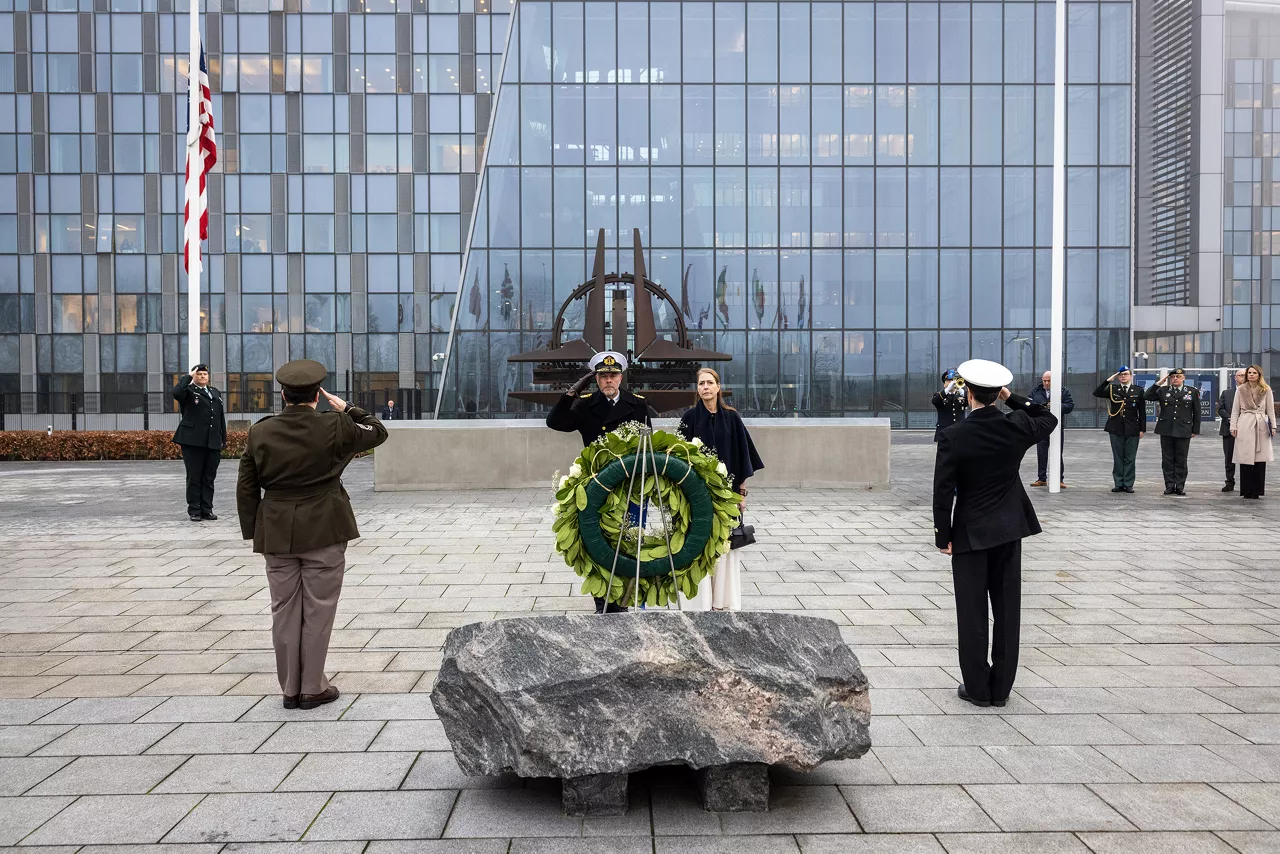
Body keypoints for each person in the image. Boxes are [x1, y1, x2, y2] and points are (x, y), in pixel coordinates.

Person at [236, 359, 388, 710]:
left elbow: (246, 487)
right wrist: (348, 408)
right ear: (317, 396)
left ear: (283, 394)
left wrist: (254, 530)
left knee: (284, 610)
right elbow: (378, 432)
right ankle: (313, 687)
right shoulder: (334, 424)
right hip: (324, 528)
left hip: (276, 532)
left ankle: (290, 688)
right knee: (318, 610)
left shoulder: (261, 431)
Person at [933, 359, 1057, 709]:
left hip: (970, 532)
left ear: (968, 393)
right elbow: (1048, 418)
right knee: (1007, 610)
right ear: (996, 395)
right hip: (1009, 528)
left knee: (971, 611)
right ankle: (1001, 688)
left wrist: (944, 536)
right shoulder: (1016, 425)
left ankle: (977, 687)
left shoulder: (954, 436)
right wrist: (1012, 398)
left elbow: (943, 490)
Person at [546, 350, 657, 612]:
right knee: (599, 543)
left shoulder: (638, 403)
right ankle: (603, 601)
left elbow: (648, 442)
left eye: (613, 375)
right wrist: (571, 393)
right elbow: (555, 422)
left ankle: (629, 596)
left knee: (631, 542)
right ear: (596, 379)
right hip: (598, 486)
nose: (609, 380)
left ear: (621, 377)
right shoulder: (586, 403)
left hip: (630, 485)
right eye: (603, 376)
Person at [677, 368, 764, 611]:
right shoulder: (689, 419)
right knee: (699, 544)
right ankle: (701, 601)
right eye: (701, 383)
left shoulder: (732, 418)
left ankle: (722, 601)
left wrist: (742, 493)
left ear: (717, 387)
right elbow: (679, 459)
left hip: (728, 495)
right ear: (697, 389)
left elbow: (743, 455)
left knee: (725, 546)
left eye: (709, 383)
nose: (705, 387)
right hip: (697, 495)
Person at [172, 363, 227, 522]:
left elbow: (219, 417)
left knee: (209, 477)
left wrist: (223, 437)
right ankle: (194, 510)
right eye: (199, 374)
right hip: (193, 441)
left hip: (212, 441)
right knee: (194, 476)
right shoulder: (188, 392)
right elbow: (176, 392)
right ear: (194, 377)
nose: (203, 377)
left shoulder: (214, 392)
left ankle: (207, 509)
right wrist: (188, 376)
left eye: (205, 374)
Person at [1145, 368, 1201, 496]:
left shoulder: (1192, 392)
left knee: (1181, 459)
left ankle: (1180, 486)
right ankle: (1169, 485)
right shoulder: (1163, 390)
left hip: (1184, 429)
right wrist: (1158, 383)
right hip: (1166, 429)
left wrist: (1195, 430)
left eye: (1178, 376)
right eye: (1173, 377)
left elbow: (1197, 412)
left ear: (1183, 378)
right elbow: (1147, 396)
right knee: (1167, 459)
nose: (1175, 379)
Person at [1092, 367, 1146, 493]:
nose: (1123, 377)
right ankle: (1118, 483)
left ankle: (1128, 484)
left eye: (1126, 374)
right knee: (1118, 456)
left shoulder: (1138, 391)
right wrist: (1108, 380)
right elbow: (1097, 392)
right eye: (1121, 375)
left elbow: (1142, 412)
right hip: (1115, 427)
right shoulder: (1112, 389)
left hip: (1132, 428)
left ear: (1131, 376)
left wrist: (1142, 429)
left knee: (1130, 457)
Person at [1231, 364, 1276, 500]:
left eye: (1254, 373)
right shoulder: (1240, 389)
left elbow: (1271, 409)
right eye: (1249, 373)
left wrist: (1273, 426)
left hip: (1261, 422)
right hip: (1245, 422)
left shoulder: (1266, 389)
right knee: (1245, 457)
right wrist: (1233, 426)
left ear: (1259, 375)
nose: (1251, 375)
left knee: (1260, 458)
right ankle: (1246, 490)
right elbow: (1235, 410)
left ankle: (1257, 490)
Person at [1028, 370, 1075, 488]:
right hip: (1041, 426)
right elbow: (1028, 405)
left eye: (1049, 381)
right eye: (1044, 381)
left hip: (1057, 427)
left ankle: (1059, 479)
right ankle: (1041, 478)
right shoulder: (1035, 391)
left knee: (1057, 452)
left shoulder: (1063, 391)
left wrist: (1057, 405)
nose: (1046, 383)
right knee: (1041, 453)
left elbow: (1070, 406)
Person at [1219, 369, 1248, 492]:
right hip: (1228, 429)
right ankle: (1229, 482)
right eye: (1240, 375)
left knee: (1247, 457)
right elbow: (1220, 409)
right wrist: (1231, 418)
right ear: (1235, 378)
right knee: (1229, 457)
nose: (1242, 377)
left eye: (1244, 375)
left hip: (1247, 429)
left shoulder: (1251, 392)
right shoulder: (1227, 393)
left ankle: (1247, 483)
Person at [931, 370, 967, 442]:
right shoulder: (939, 395)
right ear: (944, 384)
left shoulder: (961, 396)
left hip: (959, 432)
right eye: (948, 381)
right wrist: (947, 390)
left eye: (953, 381)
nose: (951, 383)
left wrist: (962, 391)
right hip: (944, 432)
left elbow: (970, 402)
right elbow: (934, 401)